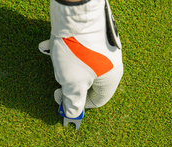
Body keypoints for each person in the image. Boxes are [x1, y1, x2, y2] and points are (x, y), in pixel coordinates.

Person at [39, 0, 124, 129]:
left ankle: (58, 45)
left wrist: (72, 113)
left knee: (96, 100)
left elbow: (74, 92)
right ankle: (58, 44)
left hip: (109, 70)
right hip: (85, 43)